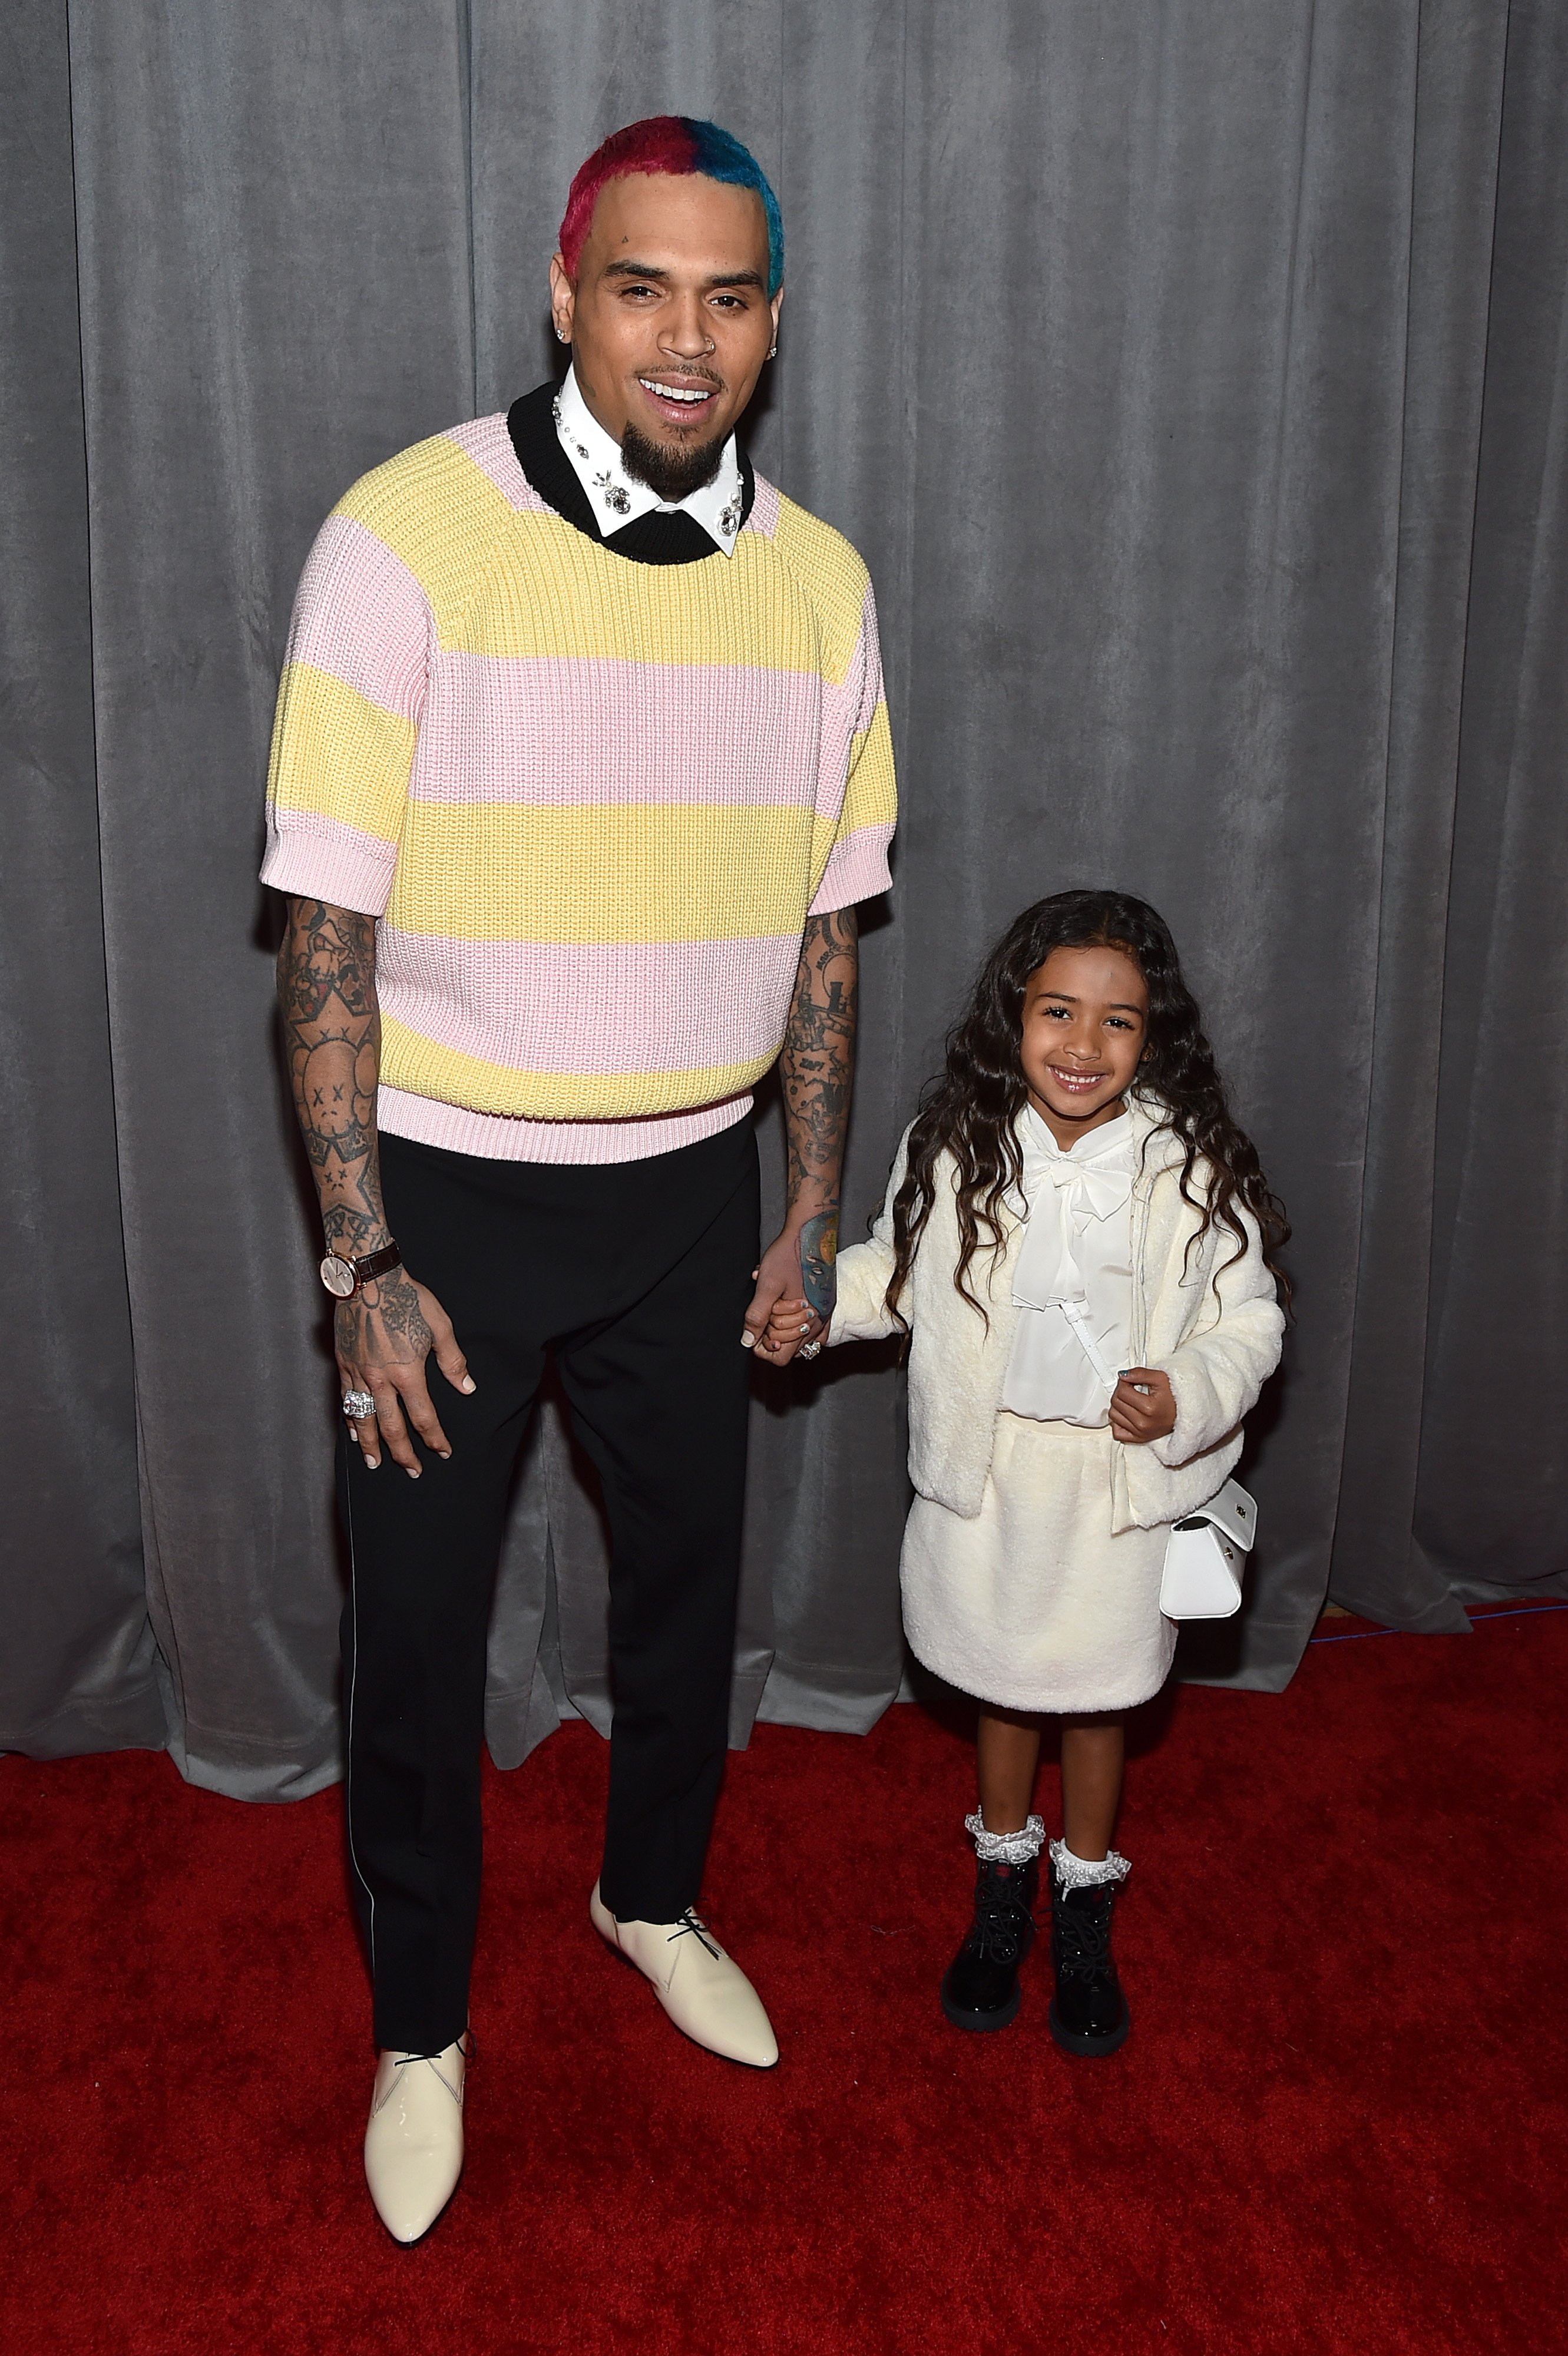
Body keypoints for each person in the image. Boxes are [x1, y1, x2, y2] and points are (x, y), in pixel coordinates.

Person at [263, 116, 895, 2241]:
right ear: (565, 291)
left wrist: (809, 1205)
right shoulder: (401, 538)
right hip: (439, 1198)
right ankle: (422, 2027)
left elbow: (826, 937)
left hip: (691, 1197)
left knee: (690, 1596)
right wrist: (357, 1253)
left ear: (774, 322)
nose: (685, 336)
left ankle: (653, 1900)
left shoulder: (820, 586)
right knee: (419, 1640)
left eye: (728, 295)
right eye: (641, 287)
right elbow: (324, 944)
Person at [769, 891, 1285, 2055]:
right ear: (1012, 1015)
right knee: (1001, 1684)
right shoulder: (956, 1140)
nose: (1082, 1045)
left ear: (1153, 1038)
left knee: (1097, 1698)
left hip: (1111, 1496)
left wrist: (1183, 1389)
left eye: (1117, 1021)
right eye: (1057, 1011)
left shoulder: (1184, 1164)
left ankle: (1084, 1895)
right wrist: (812, 1308)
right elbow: (893, 1274)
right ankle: (1000, 1889)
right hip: (988, 1478)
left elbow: (1246, 1319)